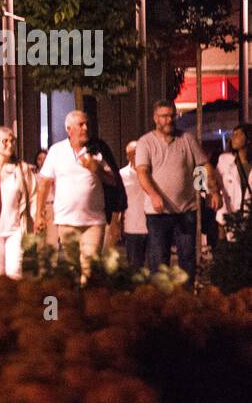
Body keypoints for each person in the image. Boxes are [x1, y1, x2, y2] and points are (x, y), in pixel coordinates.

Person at [134, 100, 222, 283]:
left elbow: (202, 166)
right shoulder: (146, 142)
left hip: (186, 210)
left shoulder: (187, 139)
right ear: (155, 118)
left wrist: (211, 191)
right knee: (159, 261)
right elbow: (142, 172)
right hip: (158, 213)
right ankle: (160, 303)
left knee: (188, 260)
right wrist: (154, 194)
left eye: (172, 115)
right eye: (164, 116)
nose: (169, 120)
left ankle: (187, 299)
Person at [34, 110, 117, 283]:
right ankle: (75, 303)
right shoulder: (57, 151)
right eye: (80, 125)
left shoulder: (97, 149)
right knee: (73, 267)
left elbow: (113, 181)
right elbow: (44, 183)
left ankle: (87, 303)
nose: (85, 128)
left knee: (89, 268)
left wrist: (97, 169)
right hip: (66, 221)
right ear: (69, 129)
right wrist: (38, 214)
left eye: (87, 124)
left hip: (94, 221)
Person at [0, 126, 35, 279]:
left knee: (14, 272)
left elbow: (32, 195)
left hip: (14, 228)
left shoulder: (21, 169)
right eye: (5, 141)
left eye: (12, 141)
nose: (10, 144)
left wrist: (35, 218)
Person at [216, 123, 251, 237]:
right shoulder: (224, 160)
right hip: (230, 218)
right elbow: (218, 188)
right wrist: (220, 221)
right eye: (233, 134)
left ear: (248, 138)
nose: (233, 138)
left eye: (237, 134)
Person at [118, 140, 148, 271]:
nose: (136, 156)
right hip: (132, 228)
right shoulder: (122, 175)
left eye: (138, 152)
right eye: (132, 153)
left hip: (153, 227)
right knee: (135, 268)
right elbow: (119, 202)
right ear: (127, 156)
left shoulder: (152, 171)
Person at [34, 148, 58, 248]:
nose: (42, 161)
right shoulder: (34, 176)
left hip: (51, 206)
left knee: (52, 241)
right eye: (40, 159)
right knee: (40, 242)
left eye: (45, 158)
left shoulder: (54, 175)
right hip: (38, 209)